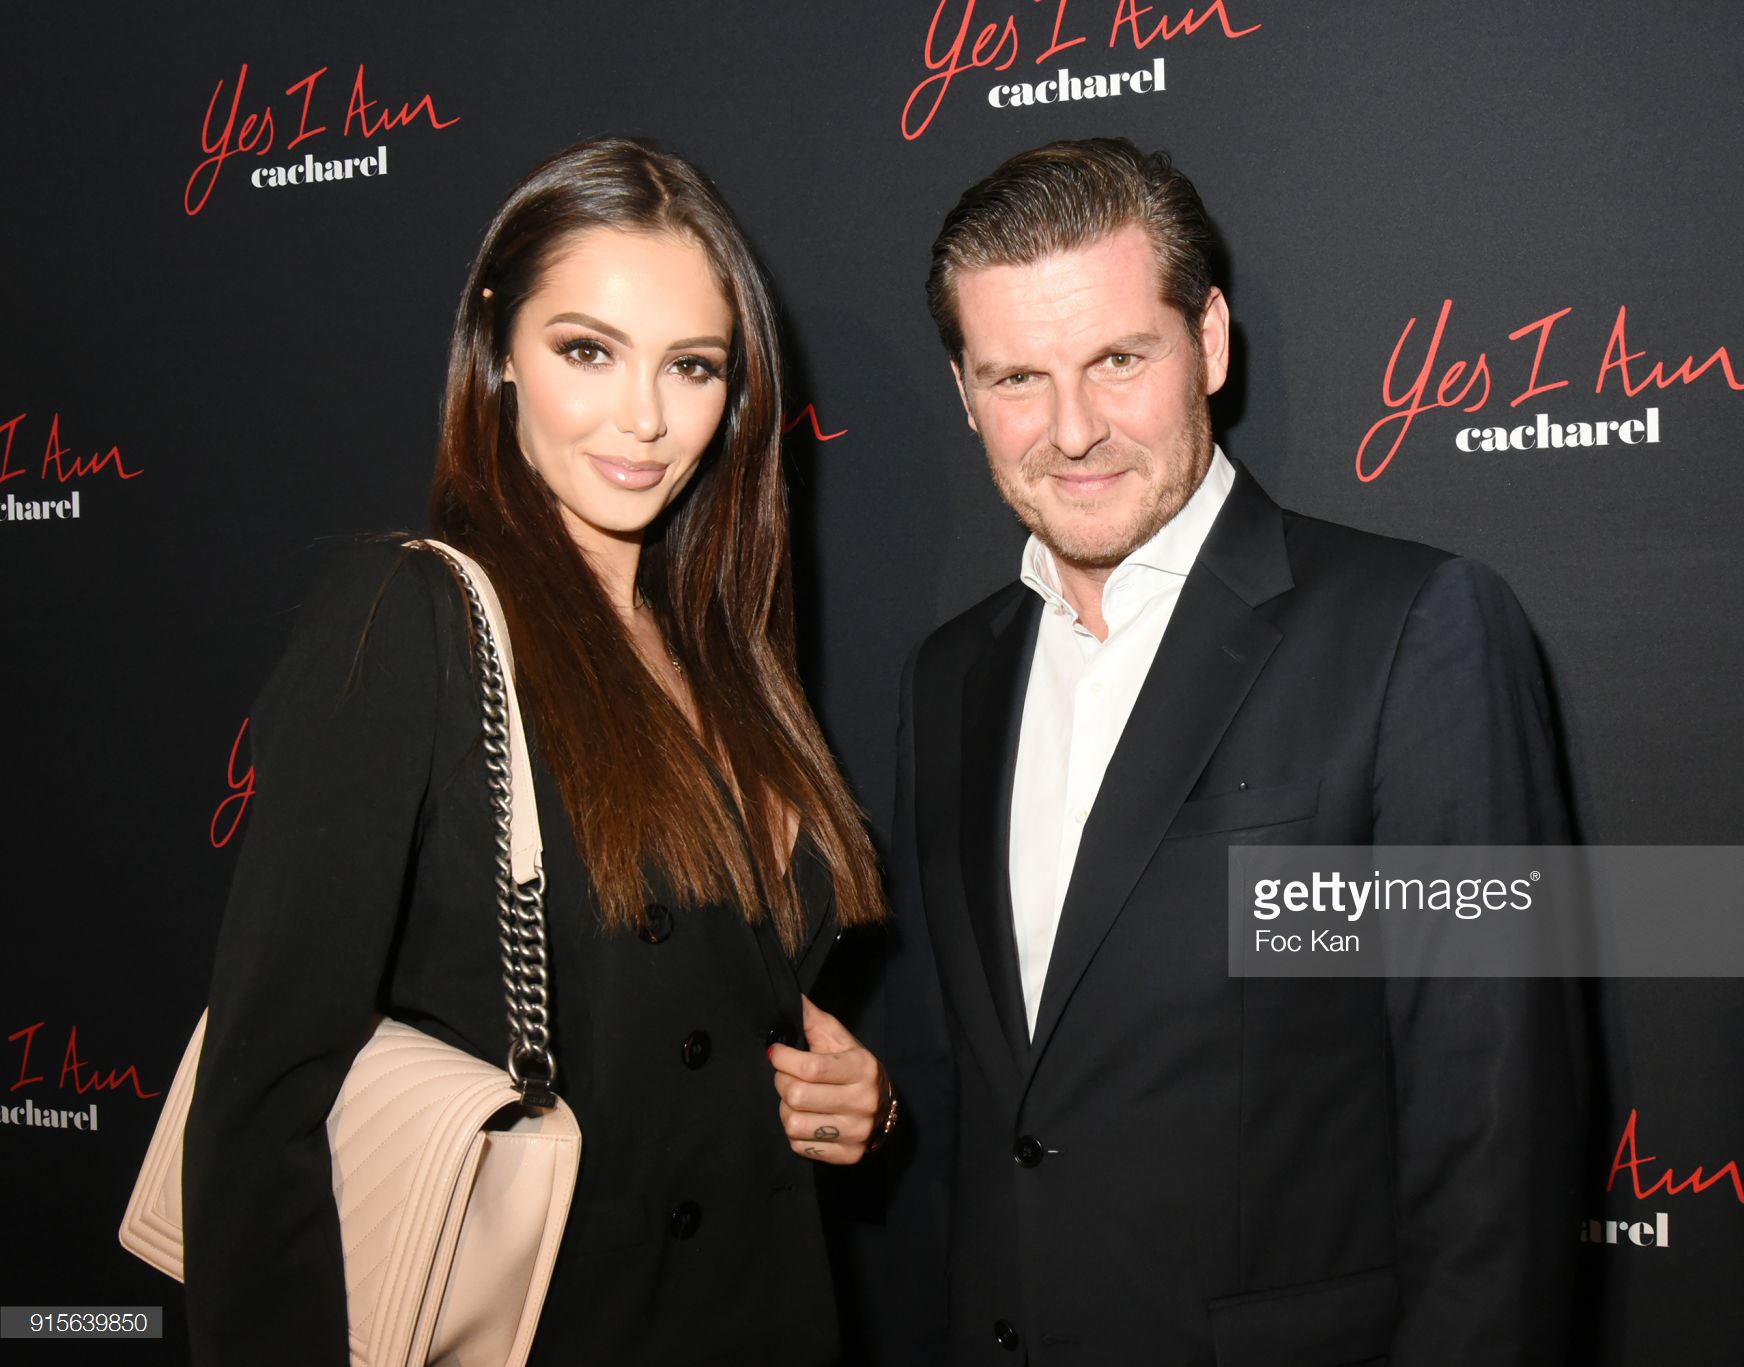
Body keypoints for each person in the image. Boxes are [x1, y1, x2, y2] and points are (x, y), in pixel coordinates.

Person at [182, 137, 893, 1366]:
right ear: (499, 347)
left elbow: (717, 1025)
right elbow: (263, 1097)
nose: (644, 417)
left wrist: (856, 1106)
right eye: (587, 350)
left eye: (691, 366)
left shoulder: (728, 653)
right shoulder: (413, 620)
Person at [880, 138, 1585, 1365]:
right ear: (963, 389)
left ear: (1206, 340)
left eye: (1117, 359)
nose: (1072, 430)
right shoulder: (949, 677)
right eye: (1016, 377)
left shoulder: (1411, 630)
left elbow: (1495, 1124)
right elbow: (971, 1092)